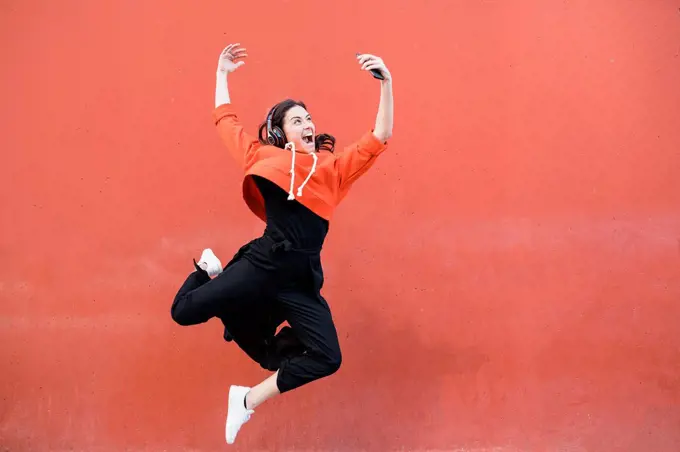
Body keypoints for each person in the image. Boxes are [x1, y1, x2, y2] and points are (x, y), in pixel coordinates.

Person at [170, 42, 394, 445]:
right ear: (281, 133)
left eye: (309, 118)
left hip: (299, 281)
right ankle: (207, 272)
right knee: (183, 312)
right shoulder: (263, 159)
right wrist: (221, 74)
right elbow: (225, 121)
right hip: (262, 264)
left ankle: (246, 400)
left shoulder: (333, 169)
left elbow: (380, 136)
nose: (308, 124)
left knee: (327, 358)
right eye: (296, 120)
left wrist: (386, 84)